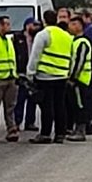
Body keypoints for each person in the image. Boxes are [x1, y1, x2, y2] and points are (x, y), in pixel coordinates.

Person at [27, 9, 72, 144]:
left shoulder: (44, 34)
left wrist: (30, 72)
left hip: (45, 76)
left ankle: (45, 133)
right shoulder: (65, 35)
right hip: (62, 75)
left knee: (47, 106)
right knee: (60, 105)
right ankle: (60, 134)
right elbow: (72, 56)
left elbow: (35, 55)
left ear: (44, 20)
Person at [64, 17, 92, 142]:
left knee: (80, 105)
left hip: (80, 80)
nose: (71, 27)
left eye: (74, 24)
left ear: (80, 26)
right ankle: (76, 129)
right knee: (74, 105)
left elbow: (79, 61)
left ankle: (81, 130)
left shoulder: (83, 42)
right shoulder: (74, 41)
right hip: (76, 80)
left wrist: (73, 77)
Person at [12, 17, 39, 133]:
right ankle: (17, 122)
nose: (37, 27)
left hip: (33, 73)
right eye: (34, 25)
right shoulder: (18, 38)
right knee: (20, 99)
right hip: (22, 72)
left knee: (32, 99)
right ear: (27, 26)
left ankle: (30, 122)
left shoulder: (37, 38)